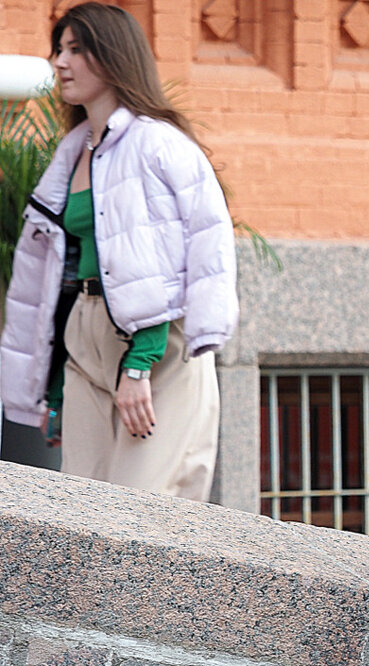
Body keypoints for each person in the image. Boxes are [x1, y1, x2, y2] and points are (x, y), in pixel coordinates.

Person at [0, 2, 238, 501]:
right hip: (86, 338)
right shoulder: (70, 154)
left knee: (145, 508)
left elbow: (172, 258)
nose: (60, 63)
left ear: (111, 57)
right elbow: (51, 276)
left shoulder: (158, 145)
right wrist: (54, 390)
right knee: (82, 509)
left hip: (156, 345)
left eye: (75, 50)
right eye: (58, 50)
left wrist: (138, 364)